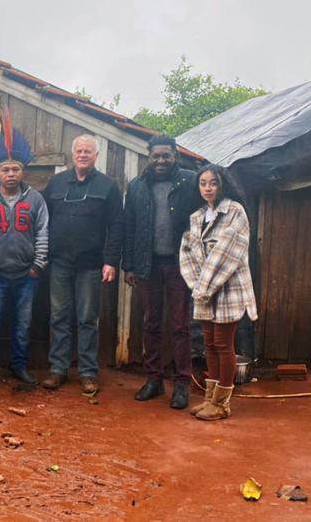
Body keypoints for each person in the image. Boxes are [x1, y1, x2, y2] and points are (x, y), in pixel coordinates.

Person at [123, 135, 202, 409]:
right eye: (156, 156)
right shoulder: (136, 187)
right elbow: (129, 228)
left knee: (181, 325)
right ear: (149, 157)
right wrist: (129, 265)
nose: (161, 161)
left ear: (175, 156)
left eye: (166, 156)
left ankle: (182, 384)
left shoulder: (191, 182)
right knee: (150, 324)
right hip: (148, 264)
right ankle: (154, 380)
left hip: (181, 264)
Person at [42, 134, 123, 394]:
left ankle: (88, 372)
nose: (83, 155)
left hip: (90, 264)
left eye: (88, 151)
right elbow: (42, 221)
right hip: (59, 263)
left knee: (88, 319)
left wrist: (111, 260)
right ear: (73, 154)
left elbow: (116, 226)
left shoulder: (108, 186)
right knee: (59, 317)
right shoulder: (56, 183)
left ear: (96, 156)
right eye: (79, 151)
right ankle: (58, 369)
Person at [179, 164, 257, 421]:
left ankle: (222, 403)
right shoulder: (196, 216)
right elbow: (188, 253)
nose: (208, 188)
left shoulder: (235, 212)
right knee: (209, 344)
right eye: (203, 183)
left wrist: (205, 287)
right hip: (202, 290)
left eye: (213, 182)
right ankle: (210, 399)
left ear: (223, 184)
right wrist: (197, 286)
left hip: (227, 288)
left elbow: (227, 253)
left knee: (224, 344)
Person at [0, 134, 49, 390]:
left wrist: (37, 265)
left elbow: (42, 231)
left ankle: (19, 365)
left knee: (22, 325)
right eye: (5, 169)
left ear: (23, 171)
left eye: (15, 169)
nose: (11, 174)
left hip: (26, 273)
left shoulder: (35, 199)